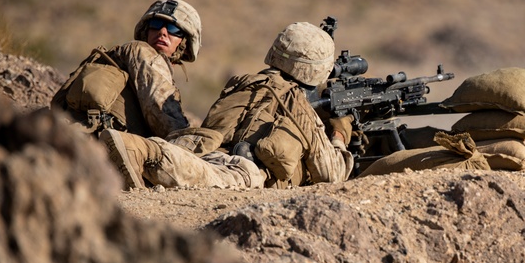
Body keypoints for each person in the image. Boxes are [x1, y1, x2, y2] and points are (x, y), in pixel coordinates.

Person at [99, 21, 354, 190]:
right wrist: (339, 135)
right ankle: (143, 151)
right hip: (240, 167)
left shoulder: (244, 83)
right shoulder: (298, 105)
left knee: (199, 166)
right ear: (318, 70)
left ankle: (142, 155)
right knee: (213, 179)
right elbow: (331, 175)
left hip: (203, 147)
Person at [51, 0, 201, 138]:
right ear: (146, 31)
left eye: (173, 29)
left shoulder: (133, 60)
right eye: (156, 24)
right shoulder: (141, 51)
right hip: (96, 139)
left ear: (185, 45)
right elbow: (164, 118)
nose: (162, 32)